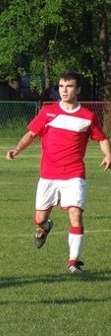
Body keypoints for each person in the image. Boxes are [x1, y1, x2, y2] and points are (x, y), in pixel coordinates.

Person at [6, 70, 111, 275]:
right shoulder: (48, 112)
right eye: (61, 86)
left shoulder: (87, 117)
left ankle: (73, 262)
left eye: (69, 86)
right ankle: (45, 227)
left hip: (74, 174)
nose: (64, 90)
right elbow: (31, 134)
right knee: (39, 218)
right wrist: (17, 149)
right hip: (48, 175)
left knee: (76, 214)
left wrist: (108, 155)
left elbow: (101, 138)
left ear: (78, 89)